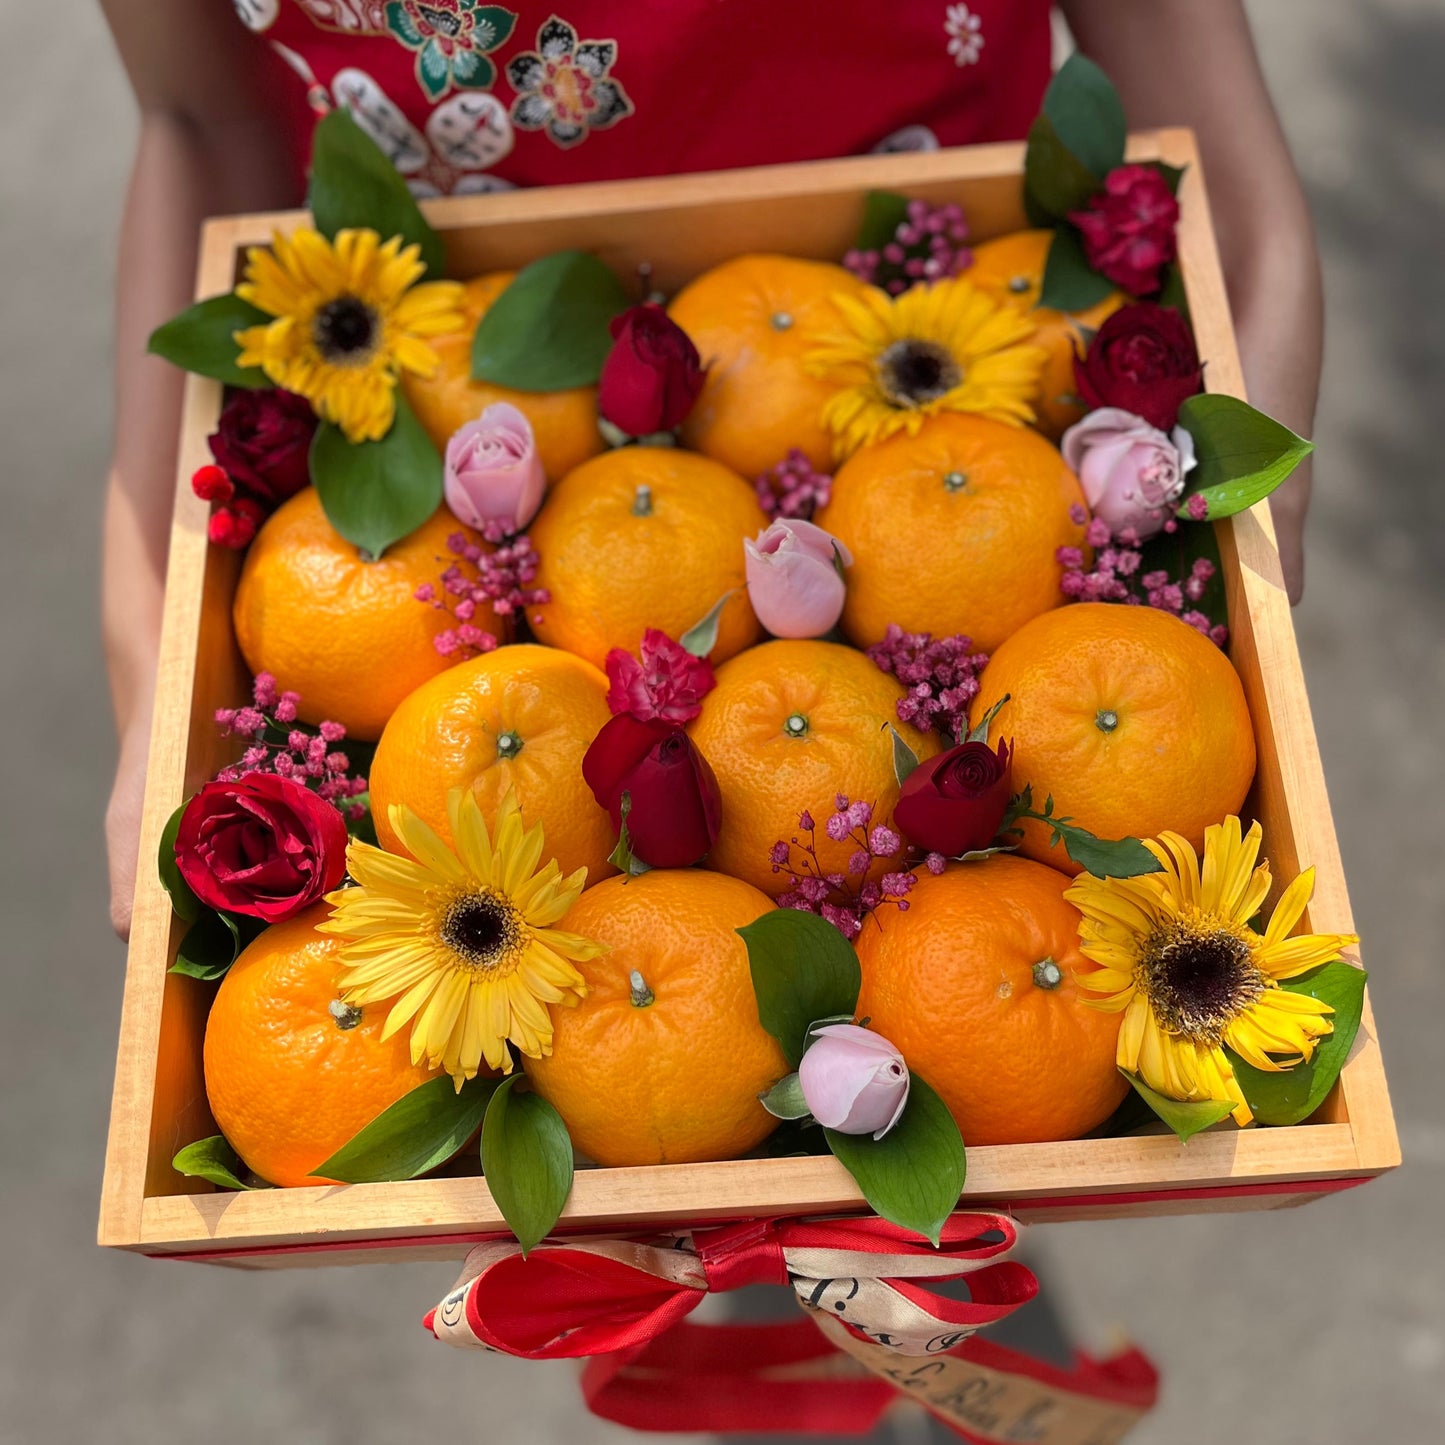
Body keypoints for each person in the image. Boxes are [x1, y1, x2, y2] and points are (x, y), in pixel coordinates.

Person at [100, 0, 1322, 939]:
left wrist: (1235, 514)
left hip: (966, 336)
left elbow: (1169, 50)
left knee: (975, 1004)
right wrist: (147, 670)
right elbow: (197, 118)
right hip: (435, 351)